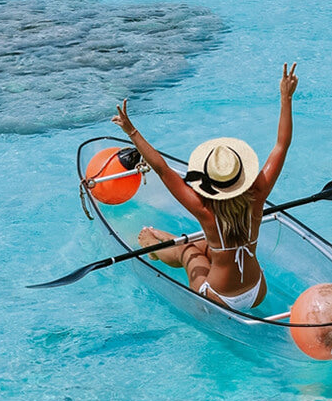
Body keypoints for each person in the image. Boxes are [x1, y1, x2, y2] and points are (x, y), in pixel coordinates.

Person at [111, 63, 297, 311]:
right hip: (257, 290)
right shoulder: (258, 196)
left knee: (189, 252)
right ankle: (167, 241)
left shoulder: (205, 212)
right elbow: (281, 146)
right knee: (208, 247)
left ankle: (153, 248)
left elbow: (163, 169)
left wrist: (131, 131)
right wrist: (286, 98)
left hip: (217, 298)